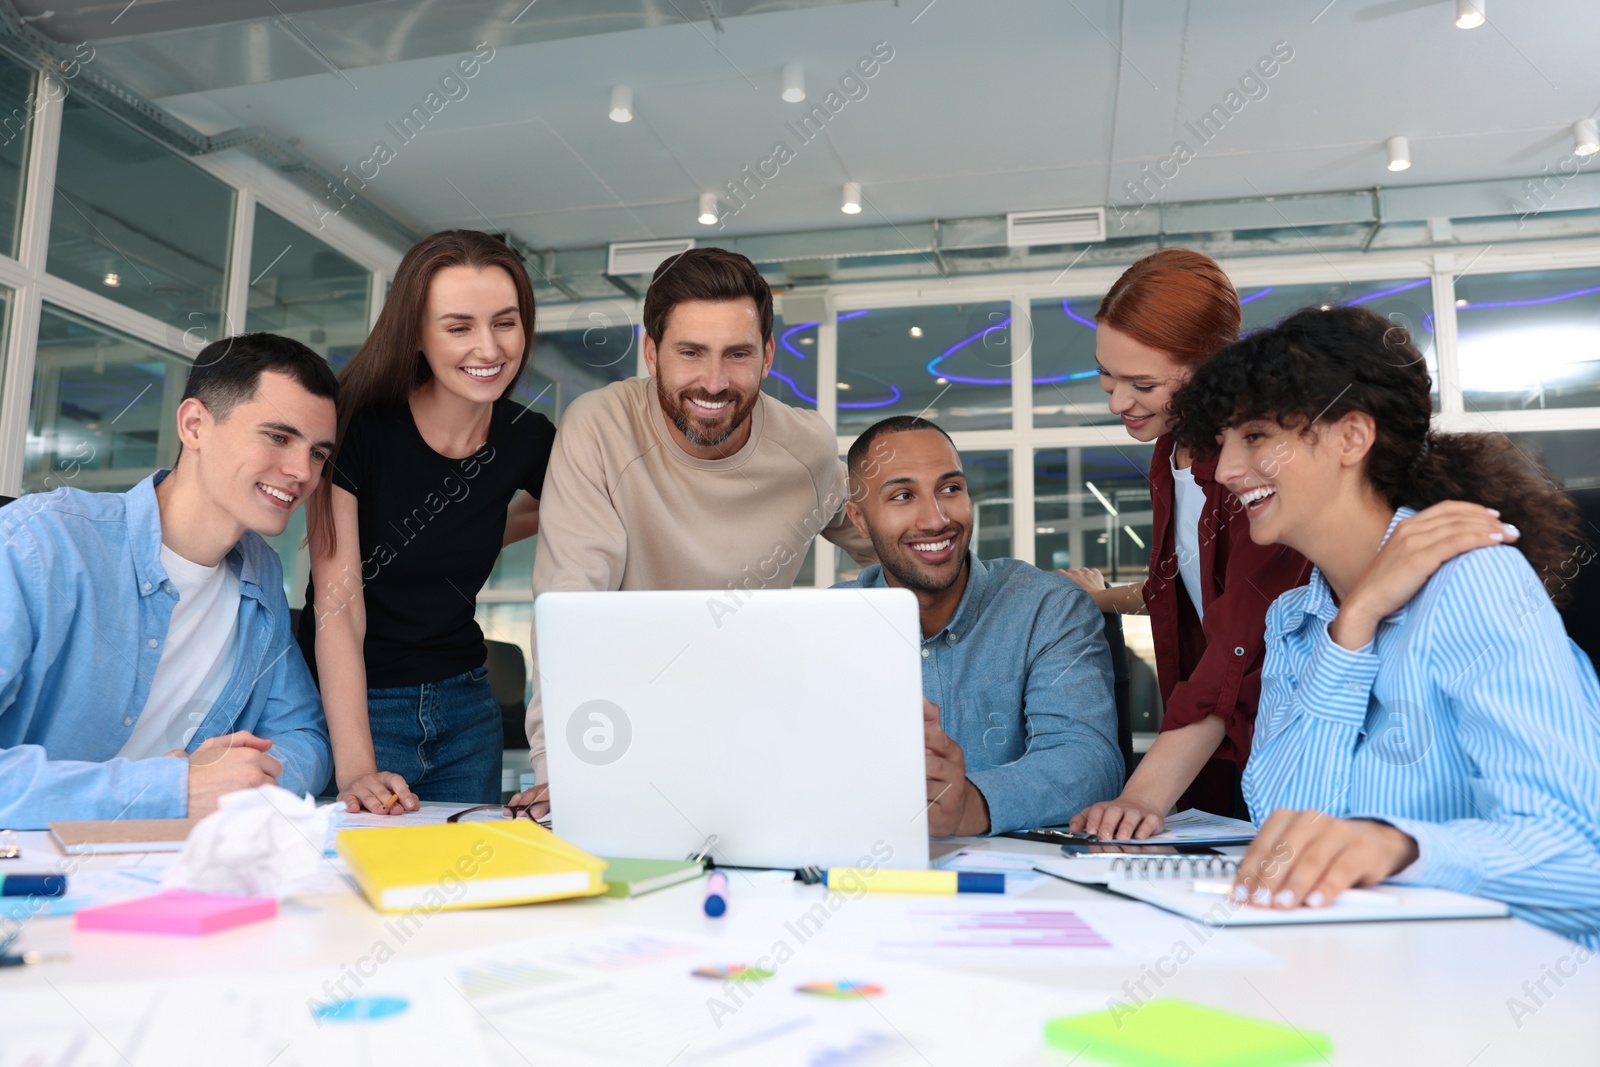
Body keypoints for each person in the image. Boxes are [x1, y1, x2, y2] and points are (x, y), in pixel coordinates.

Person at [1172, 304, 1600, 949]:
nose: (1227, 469)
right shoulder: (1297, 619)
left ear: (1351, 437)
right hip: (1363, 967)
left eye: (1256, 435)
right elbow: (1286, 828)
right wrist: (1354, 624)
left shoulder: (1476, 582)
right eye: (1225, 441)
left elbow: (1579, 858)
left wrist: (1396, 845)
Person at [509, 247, 875, 813]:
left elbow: (892, 547)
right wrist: (562, 770)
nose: (714, 381)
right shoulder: (600, 428)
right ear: (652, 353)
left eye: (737, 354)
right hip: (621, 734)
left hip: (758, 744)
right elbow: (570, 611)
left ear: (768, 356)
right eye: (691, 353)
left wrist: (1023, 591)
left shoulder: (807, 448)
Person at [0, 334, 337, 828]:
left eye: (318, 454)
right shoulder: (42, 544)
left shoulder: (260, 573)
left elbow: (304, 735)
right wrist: (174, 789)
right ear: (195, 425)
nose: (301, 471)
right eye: (279, 437)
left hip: (166, 866)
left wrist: (239, 783)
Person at [301, 230, 555, 814]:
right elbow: (338, 611)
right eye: (459, 327)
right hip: (356, 707)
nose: (488, 349)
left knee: (463, 893)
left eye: (505, 323)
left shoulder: (527, 438)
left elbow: (569, 512)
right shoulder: (355, 426)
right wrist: (358, 768)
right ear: (416, 333)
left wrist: (479, 523)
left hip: (468, 705)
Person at [1064, 249, 1311, 839]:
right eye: (1106, 375)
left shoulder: (1251, 464)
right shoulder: (1168, 450)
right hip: (1208, 743)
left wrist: (1142, 795)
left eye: (1141, 383)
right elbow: (1184, 586)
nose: (1116, 402)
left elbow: (1239, 645)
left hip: (1285, 744)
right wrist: (1102, 601)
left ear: (1212, 368)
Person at [834, 416, 1121, 836]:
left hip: (1023, 885)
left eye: (950, 489)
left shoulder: (1049, 607)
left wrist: (969, 803)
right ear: (859, 520)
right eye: (902, 495)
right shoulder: (829, 624)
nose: (935, 520)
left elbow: (1089, 761)